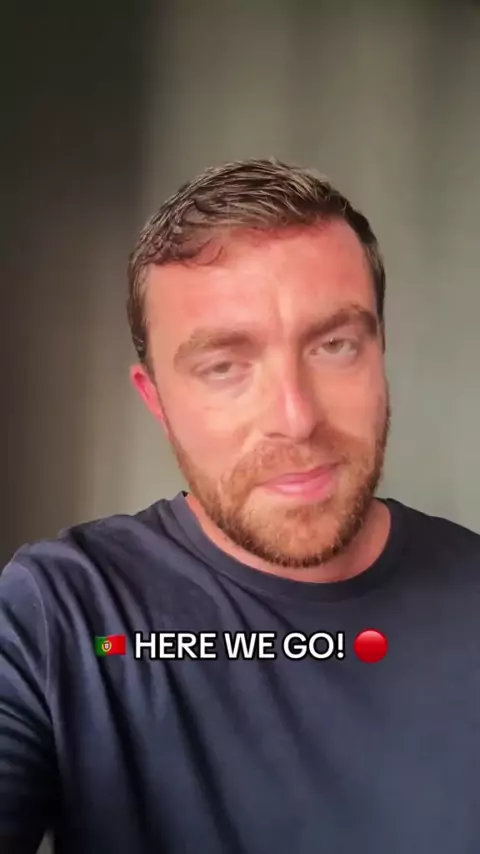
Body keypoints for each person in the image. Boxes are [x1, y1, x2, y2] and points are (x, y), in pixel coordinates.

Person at [1, 157, 479, 854]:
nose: (296, 418)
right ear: (157, 401)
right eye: (224, 366)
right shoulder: (62, 616)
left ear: (379, 354)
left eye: (335, 345)